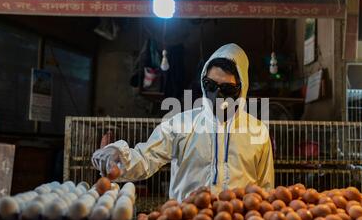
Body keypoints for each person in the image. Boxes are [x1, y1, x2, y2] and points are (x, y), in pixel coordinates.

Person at [92, 43, 274, 202]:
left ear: (241, 89)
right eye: (210, 85)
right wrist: (117, 155)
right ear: (203, 84)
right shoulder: (180, 124)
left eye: (227, 88)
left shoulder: (257, 131)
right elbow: (146, 157)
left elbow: (266, 187)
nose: (217, 94)